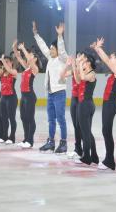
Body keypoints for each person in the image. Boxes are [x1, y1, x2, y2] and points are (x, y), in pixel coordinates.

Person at [33, 21, 68, 154]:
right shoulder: (51, 58)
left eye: (53, 49)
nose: (50, 50)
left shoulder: (62, 58)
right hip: (50, 93)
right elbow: (42, 46)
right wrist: (36, 34)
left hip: (59, 92)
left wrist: (60, 36)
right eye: (51, 49)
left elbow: (62, 49)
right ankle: (51, 142)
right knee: (51, 119)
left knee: (60, 118)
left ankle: (63, 143)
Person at [91, 37, 116, 171]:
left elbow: (105, 60)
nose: (110, 58)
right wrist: (96, 49)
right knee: (106, 131)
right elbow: (106, 60)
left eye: (112, 57)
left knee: (107, 131)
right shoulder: (114, 72)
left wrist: (99, 48)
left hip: (111, 104)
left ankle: (110, 161)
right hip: (108, 104)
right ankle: (109, 160)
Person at [13, 40, 39, 148]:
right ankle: (25, 139)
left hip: (30, 96)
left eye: (31, 56)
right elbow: (18, 57)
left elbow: (28, 58)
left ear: (35, 59)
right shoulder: (26, 68)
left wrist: (23, 49)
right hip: (23, 96)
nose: (29, 57)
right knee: (23, 117)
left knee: (30, 118)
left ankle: (30, 140)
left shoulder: (34, 69)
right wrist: (14, 48)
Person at [74, 53, 98, 165]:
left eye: (85, 61)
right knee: (87, 132)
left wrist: (79, 63)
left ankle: (86, 157)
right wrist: (76, 66)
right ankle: (94, 156)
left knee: (85, 132)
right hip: (84, 104)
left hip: (86, 105)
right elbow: (78, 80)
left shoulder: (92, 73)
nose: (83, 62)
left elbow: (83, 78)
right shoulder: (86, 72)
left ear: (89, 63)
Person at [60, 53, 83, 159]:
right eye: (77, 56)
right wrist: (67, 64)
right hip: (74, 99)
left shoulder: (83, 70)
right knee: (76, 126)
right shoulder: (74, 69)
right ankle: (78, 148)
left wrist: (74, 65)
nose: (77, 58)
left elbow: (78, 79)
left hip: (82, 100)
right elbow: (62, 75)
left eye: (79, 57)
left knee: (80, 126)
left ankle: (81, 149)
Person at [0, 54, 18, 144]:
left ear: (11, 63)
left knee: (11, 118)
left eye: (7, 62)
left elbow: (10, 70)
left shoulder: (14, 71)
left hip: (11, 98)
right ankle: (4, 136)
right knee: (4, 118)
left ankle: (12, 137)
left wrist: (3, 61)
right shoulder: (2, 73)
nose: (5, 63)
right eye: (4, 62)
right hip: (3, 98)